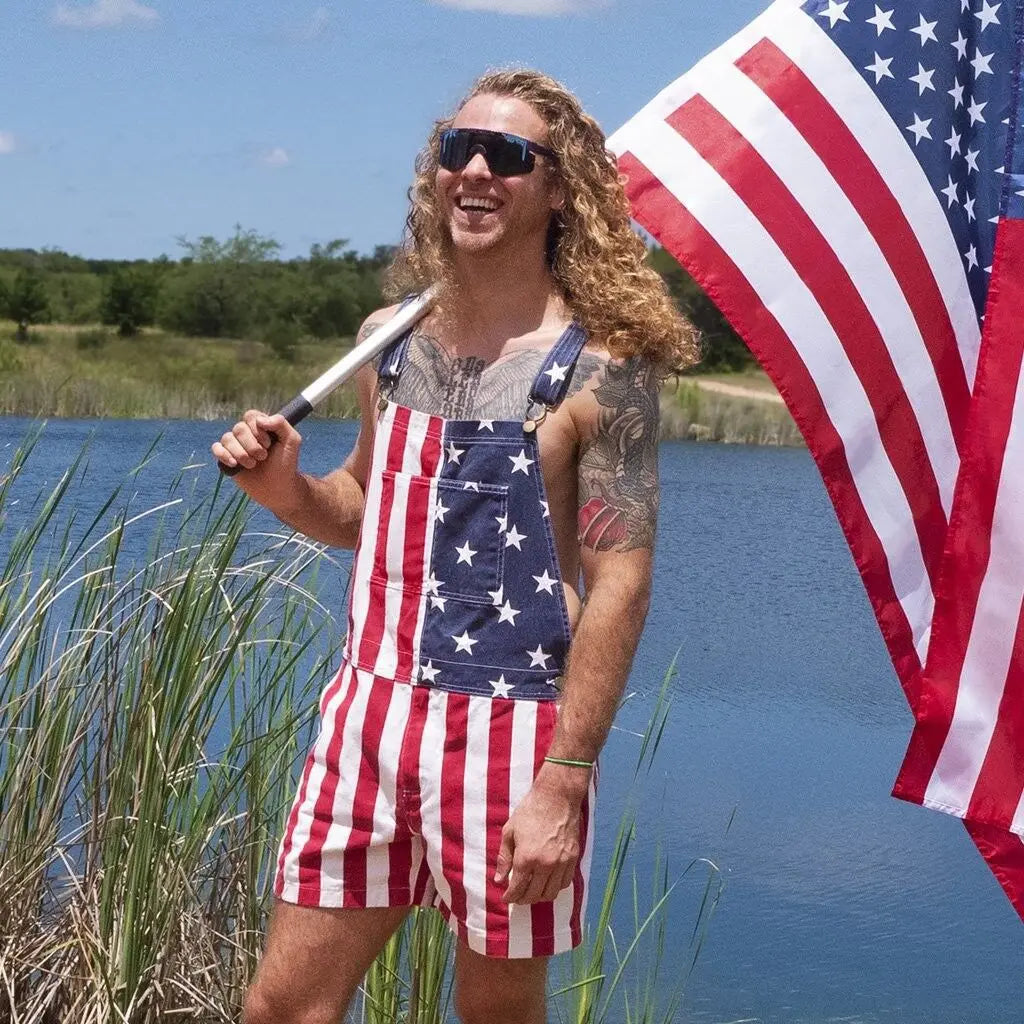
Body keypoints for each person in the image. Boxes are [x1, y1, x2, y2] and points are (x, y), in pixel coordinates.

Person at [212, 68, 698, 1024]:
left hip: (512, 737)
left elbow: (619, 586)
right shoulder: (387, 342)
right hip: (366, 719)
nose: (475, 170)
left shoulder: (601, 371)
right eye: (456, 149)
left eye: (508, 155)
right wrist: (285, 492)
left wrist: (565, 781)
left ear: (559, 189)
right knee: (280, 1007)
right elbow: (362, 508)